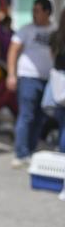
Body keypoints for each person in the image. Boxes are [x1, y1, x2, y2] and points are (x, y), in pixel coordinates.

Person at [6, 0, 56, 168]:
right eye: (33, 10)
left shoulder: (55, 30)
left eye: (38, 10)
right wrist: (11, 75)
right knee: (26, 116)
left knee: (41, 117)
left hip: (49, 80)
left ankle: (31, 149)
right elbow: (13, 50)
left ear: (48, 12)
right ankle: (20, 153)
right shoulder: (26, 30)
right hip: (28, 78)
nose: (33, 13)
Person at [49, 8, 65, 152]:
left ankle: (61, 151)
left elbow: (52, 57)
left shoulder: (55, 35)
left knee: (62, 122)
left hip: (59, 83)